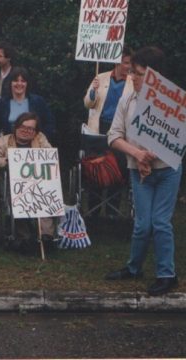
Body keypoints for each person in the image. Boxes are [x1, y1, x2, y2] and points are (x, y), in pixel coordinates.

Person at [105, 46, 182, 296]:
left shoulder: (174, 102)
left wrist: (152, 156)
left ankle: (167, 274)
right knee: (141, 224)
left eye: (138, 74)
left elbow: (178, 138)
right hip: (139, 172)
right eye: (132, 73)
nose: (133, 78)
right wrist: (138, 155)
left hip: (167, 171)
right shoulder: (127, 100)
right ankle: (134, 268)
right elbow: (114, 136)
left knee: (160, 222)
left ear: (153, 76)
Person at [0, 112, 55, 254]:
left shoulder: (40, 139)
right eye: (23, 127)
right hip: (14, 185)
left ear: (35, 131)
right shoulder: (3, 141)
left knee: (46, 195)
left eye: (30, 129)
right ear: (16, 127)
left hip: (38, 182)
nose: (26, 131)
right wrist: (7, 161)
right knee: (19, 197)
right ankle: (24, 238)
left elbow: (50, 156)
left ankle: (46, 236)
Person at [83, 46, 133, 219]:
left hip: (120, 132)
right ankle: (93, 210)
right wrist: (92, 92)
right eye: (126, 63)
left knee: (117, 170)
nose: (129, 66)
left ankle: (112, 211)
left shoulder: (133, 82)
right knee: (96, 167)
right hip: (99, 129)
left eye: (130, 63)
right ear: (117, 62)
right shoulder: (101, 77)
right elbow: (88, 104)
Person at [0, 66, 55, 143]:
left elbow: (50, 123)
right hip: (9, 147)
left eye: (23, 81)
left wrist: (40, 139)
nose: (19, 84)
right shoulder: (1, 103)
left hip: (34, 147)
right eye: (16, 80)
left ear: (27, 83)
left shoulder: (38, 101)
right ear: (10, 83)